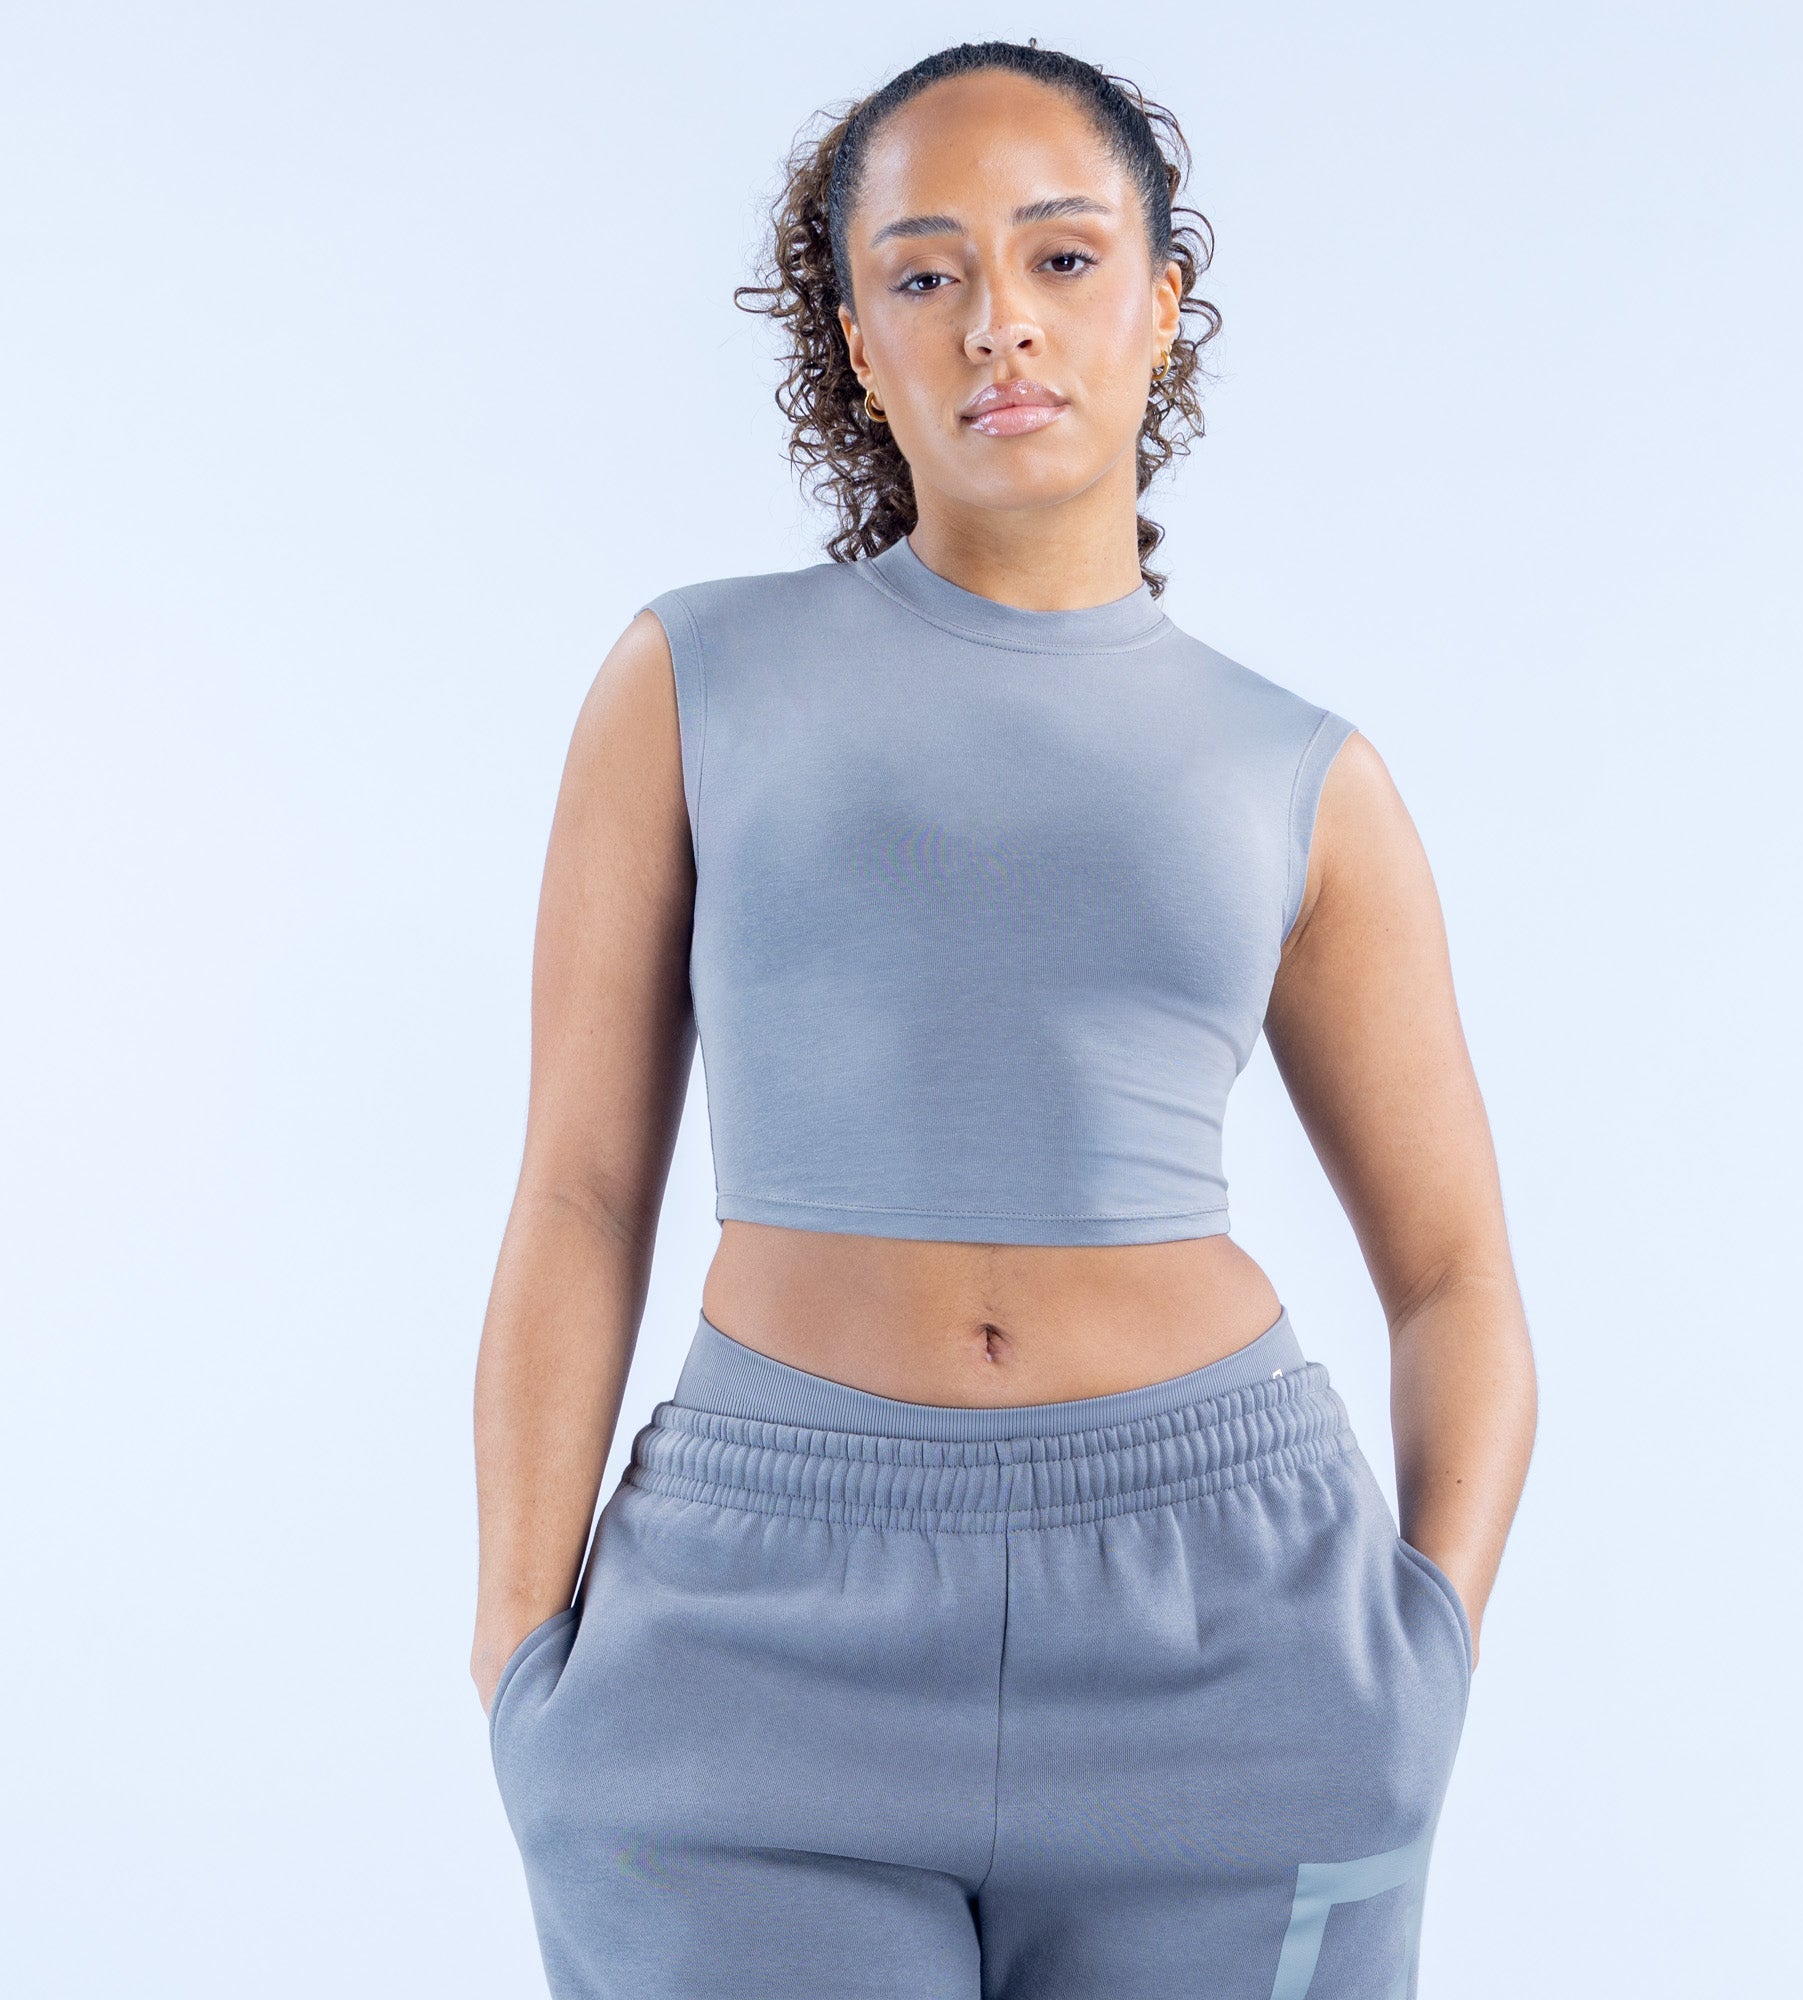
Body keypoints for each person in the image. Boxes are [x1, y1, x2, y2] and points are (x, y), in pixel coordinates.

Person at [471, 38, 1537, 2000]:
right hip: (749, 1634)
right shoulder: (691, 678)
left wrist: (1429, 1654)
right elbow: (581, 1189)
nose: (998, 324)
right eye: (925, 272)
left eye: (1059, 257)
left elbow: (1457, 1272)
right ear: (859, 344)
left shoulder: (1303, 773)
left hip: (1238, 1634)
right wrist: (518, 1643)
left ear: (1162, 304)